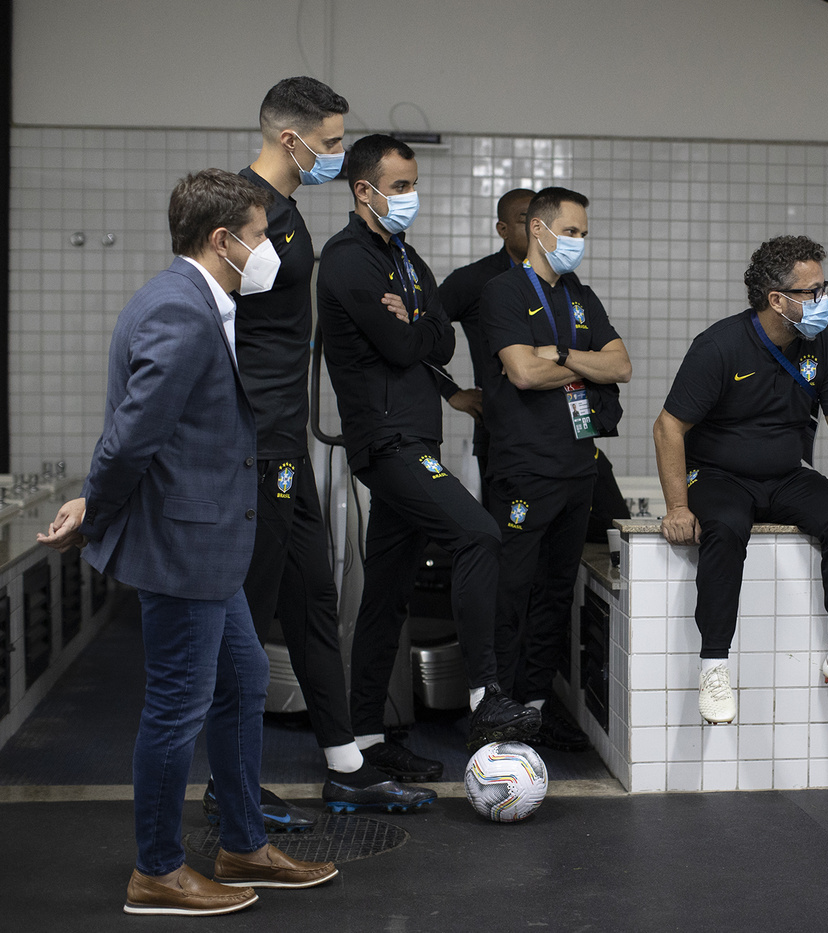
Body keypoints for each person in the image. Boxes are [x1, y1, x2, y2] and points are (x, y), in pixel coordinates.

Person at [38, 169, 336, 916]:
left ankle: (242, 842)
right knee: (177, 705)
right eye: (261, 235)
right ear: (222, 239)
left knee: (242, 677)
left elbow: (155, 427)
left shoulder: (201, 302)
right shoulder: (180, 310)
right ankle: (157, 870)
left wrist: (92, 499)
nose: (271, 249)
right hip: (183, 545)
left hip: (206, 544)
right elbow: (132, 436)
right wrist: (96, 510)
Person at [213, 77, 435, 821]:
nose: (338, 154)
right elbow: (210, 324)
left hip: (287, 441)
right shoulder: (241, 212)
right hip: (255, 445)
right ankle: (228, 786)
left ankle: (347, 767)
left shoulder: (286, 212)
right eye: (331, 143)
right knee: (249, 618)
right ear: (291, 139)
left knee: (312, 598)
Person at [318, 134, 539, 761]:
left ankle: (366, 738)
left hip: (416, 435)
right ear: (364, 190)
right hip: (386, 439)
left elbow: (442, 341)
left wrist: (418, 323)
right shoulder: (347, 260)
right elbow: (399, 347)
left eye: (414, 185)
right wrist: (420, 326)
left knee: (388, 594)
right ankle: (485, 694)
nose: (411, 196)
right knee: (479, 534)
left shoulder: (407, 259)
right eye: (400, 187)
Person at [653, 234, 828, 725]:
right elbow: (668, 428)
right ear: (777, 300)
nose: (823, 300)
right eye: (812, 292)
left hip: (785, 475)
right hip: (717, 475)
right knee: (725, 525)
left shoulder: (824, 342)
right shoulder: (719, 346)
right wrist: (677, 507)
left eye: (824, 288)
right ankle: (714, 666)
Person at [479, 186, 632, 751]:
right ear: (538, 230)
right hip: (525, 469)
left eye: (583, 234)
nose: (578, 242)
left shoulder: (579, 295)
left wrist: (562, 357)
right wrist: (582, 367)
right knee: (511, 591)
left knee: (555, 592)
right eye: (570, 232)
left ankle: (537, 706)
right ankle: (498, 707)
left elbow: (622, 365)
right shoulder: (503, 292)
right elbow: (522, 373)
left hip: (578, 466)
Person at [438, 187, 535, 480]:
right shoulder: (474, 280)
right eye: (525, 220)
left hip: (561, 428)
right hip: (501, 430)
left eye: (542, 220)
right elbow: (415, 337)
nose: (536, 229)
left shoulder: (564, 282)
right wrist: (451, 392)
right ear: (502, 230)